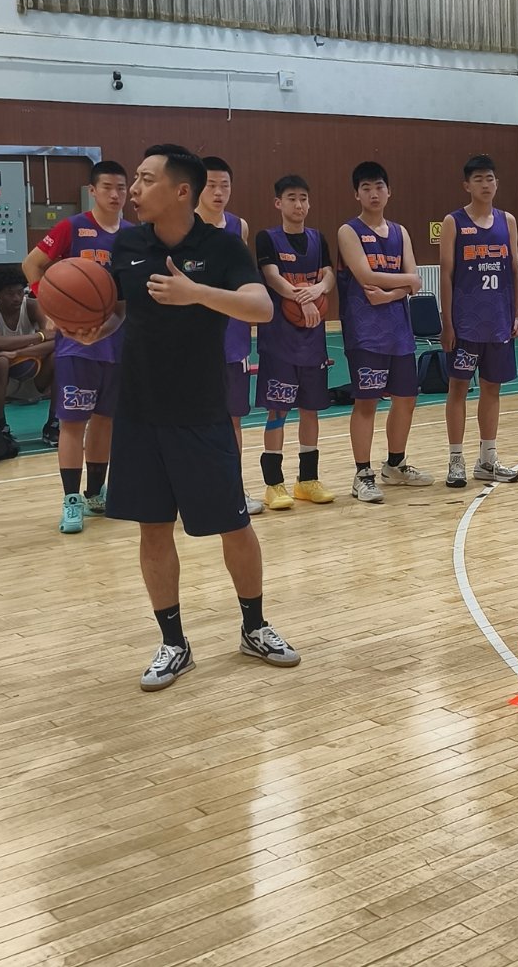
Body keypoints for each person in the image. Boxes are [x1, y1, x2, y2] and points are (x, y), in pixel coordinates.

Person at [78, 144, 299, 691]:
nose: (133, 189)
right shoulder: (127, 244)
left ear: (182, 191)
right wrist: (94, 328)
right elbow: (122, 314)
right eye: (134, 179)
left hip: (201, 410)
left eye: (145, 180)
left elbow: (262, 306)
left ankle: (254, 626)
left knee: (234, 525)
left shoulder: (222, 247)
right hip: (140, 411)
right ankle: (173, 643)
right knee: (153, 529)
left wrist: (194, 292)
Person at [23, 160, 131, 534]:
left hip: (117, 342)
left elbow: (127, 298)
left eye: (121, 188)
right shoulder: (73, 227)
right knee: (73, 422)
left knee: (105, 421)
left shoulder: (133, 235)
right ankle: (71, 499)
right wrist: (50, 308)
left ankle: (95, 492)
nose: (115, 194)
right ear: (93, 191)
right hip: (76, 345)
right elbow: (32, 264)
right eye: (107, 187)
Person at [336, 161, 431, 503]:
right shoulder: (348, 231)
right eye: (366, 188)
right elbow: (365, 275)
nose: (373, 194)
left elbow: (415, 280)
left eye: (379, 187)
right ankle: (362, 474)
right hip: (365, 333)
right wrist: (405, 282)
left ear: (389, 191)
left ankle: (395, 465)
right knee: (367, 402)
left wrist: (394, 290)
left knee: (407, 399)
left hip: (399, 331)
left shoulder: (400, 232)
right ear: (356, 193)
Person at [439, 154, 518, 488]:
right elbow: (446, 274)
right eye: (478, 179)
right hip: (465, 323)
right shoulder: (454, 222)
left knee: (492, 388)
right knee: (458, 388)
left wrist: (516, 313)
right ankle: (455, 459)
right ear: (467, 185)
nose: (485, 184)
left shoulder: (508, 221)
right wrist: (447, 323)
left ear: (496, 183)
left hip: (499, 321)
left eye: (490, 178)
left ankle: (487, 459)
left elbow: (514, 270)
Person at [255, 175, 335, 511]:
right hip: (279, 340)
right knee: (278, 410)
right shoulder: (267, 238)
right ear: (278, 203)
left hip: (312, 340)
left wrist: (318, 291)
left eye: (303, 198)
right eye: (291, 198)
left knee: (310, 409)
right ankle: (274, 484)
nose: (298, 204)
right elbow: (272, 277)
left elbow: (329, 274)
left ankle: (307, 480)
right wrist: (300, 297)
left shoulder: (318, 239)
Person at [197, 156, 262, 517]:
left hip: (232, 336)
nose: (219, 192)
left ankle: (232, 488)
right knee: (194, 419)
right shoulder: (183, 227)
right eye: (211, 185)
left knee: (232, 418)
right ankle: (195, 488)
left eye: (225, 185)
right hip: (193, 338)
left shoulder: (239, 227)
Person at [0, 267, 55, 444]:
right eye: (10, 294)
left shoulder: (33, 306)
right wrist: (39, 336)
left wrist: (18, 353)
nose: (17, 298)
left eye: (20, 292)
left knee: (60, 356)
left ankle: (54, 424)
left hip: (29, 375)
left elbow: (58, 341)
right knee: (0, 360)